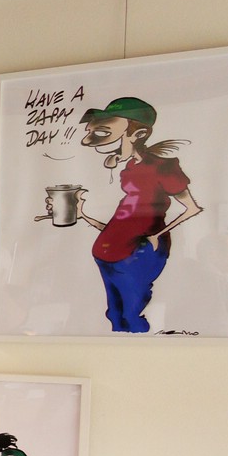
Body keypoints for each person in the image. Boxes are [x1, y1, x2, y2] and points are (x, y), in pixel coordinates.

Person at [71, 96, 204, 333]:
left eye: (101, 132)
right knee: (114, 314)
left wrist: (156, 236)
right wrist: (82, 214)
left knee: (132, 316)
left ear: (138, 134)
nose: (87, 140)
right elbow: (122, 221)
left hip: (136, 254)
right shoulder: (130, 168)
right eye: (90, 132)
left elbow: (191, 208)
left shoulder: (162, 167)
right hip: (106, 255)